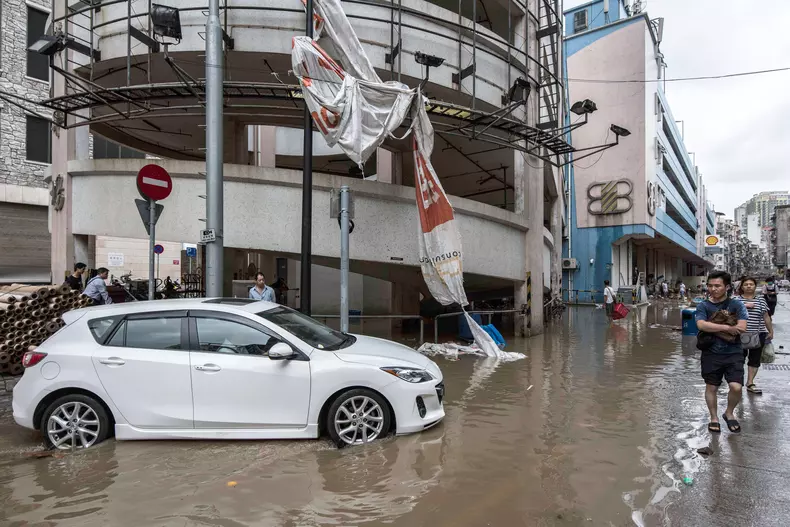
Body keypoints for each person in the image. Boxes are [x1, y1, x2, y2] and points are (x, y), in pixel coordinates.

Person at [695, 271, 748, 434]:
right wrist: (727, 328)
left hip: (734, 352)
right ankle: (714, 418)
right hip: (711, 353)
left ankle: (729, 412)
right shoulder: (703, 305)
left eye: (717, 286)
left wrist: (714, 327)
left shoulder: (737, 305)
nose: (713, 289)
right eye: (710, 285)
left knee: (736, 387)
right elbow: (701, 325)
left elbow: (742, 328)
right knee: (711, 387)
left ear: (727, 287)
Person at [733, 277, 773, 395]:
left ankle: (750, 383)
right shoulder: (735, 300)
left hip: (759, 333)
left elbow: (766, 316)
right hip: (739, 334)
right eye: (746, 284)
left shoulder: (761, 300)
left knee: (754, 360)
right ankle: (737, 383)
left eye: (751, 284)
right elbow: (729, 316)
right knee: (738, 360)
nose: (749, 286)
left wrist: (770, 331)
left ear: (755, 286)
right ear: (742, 287)